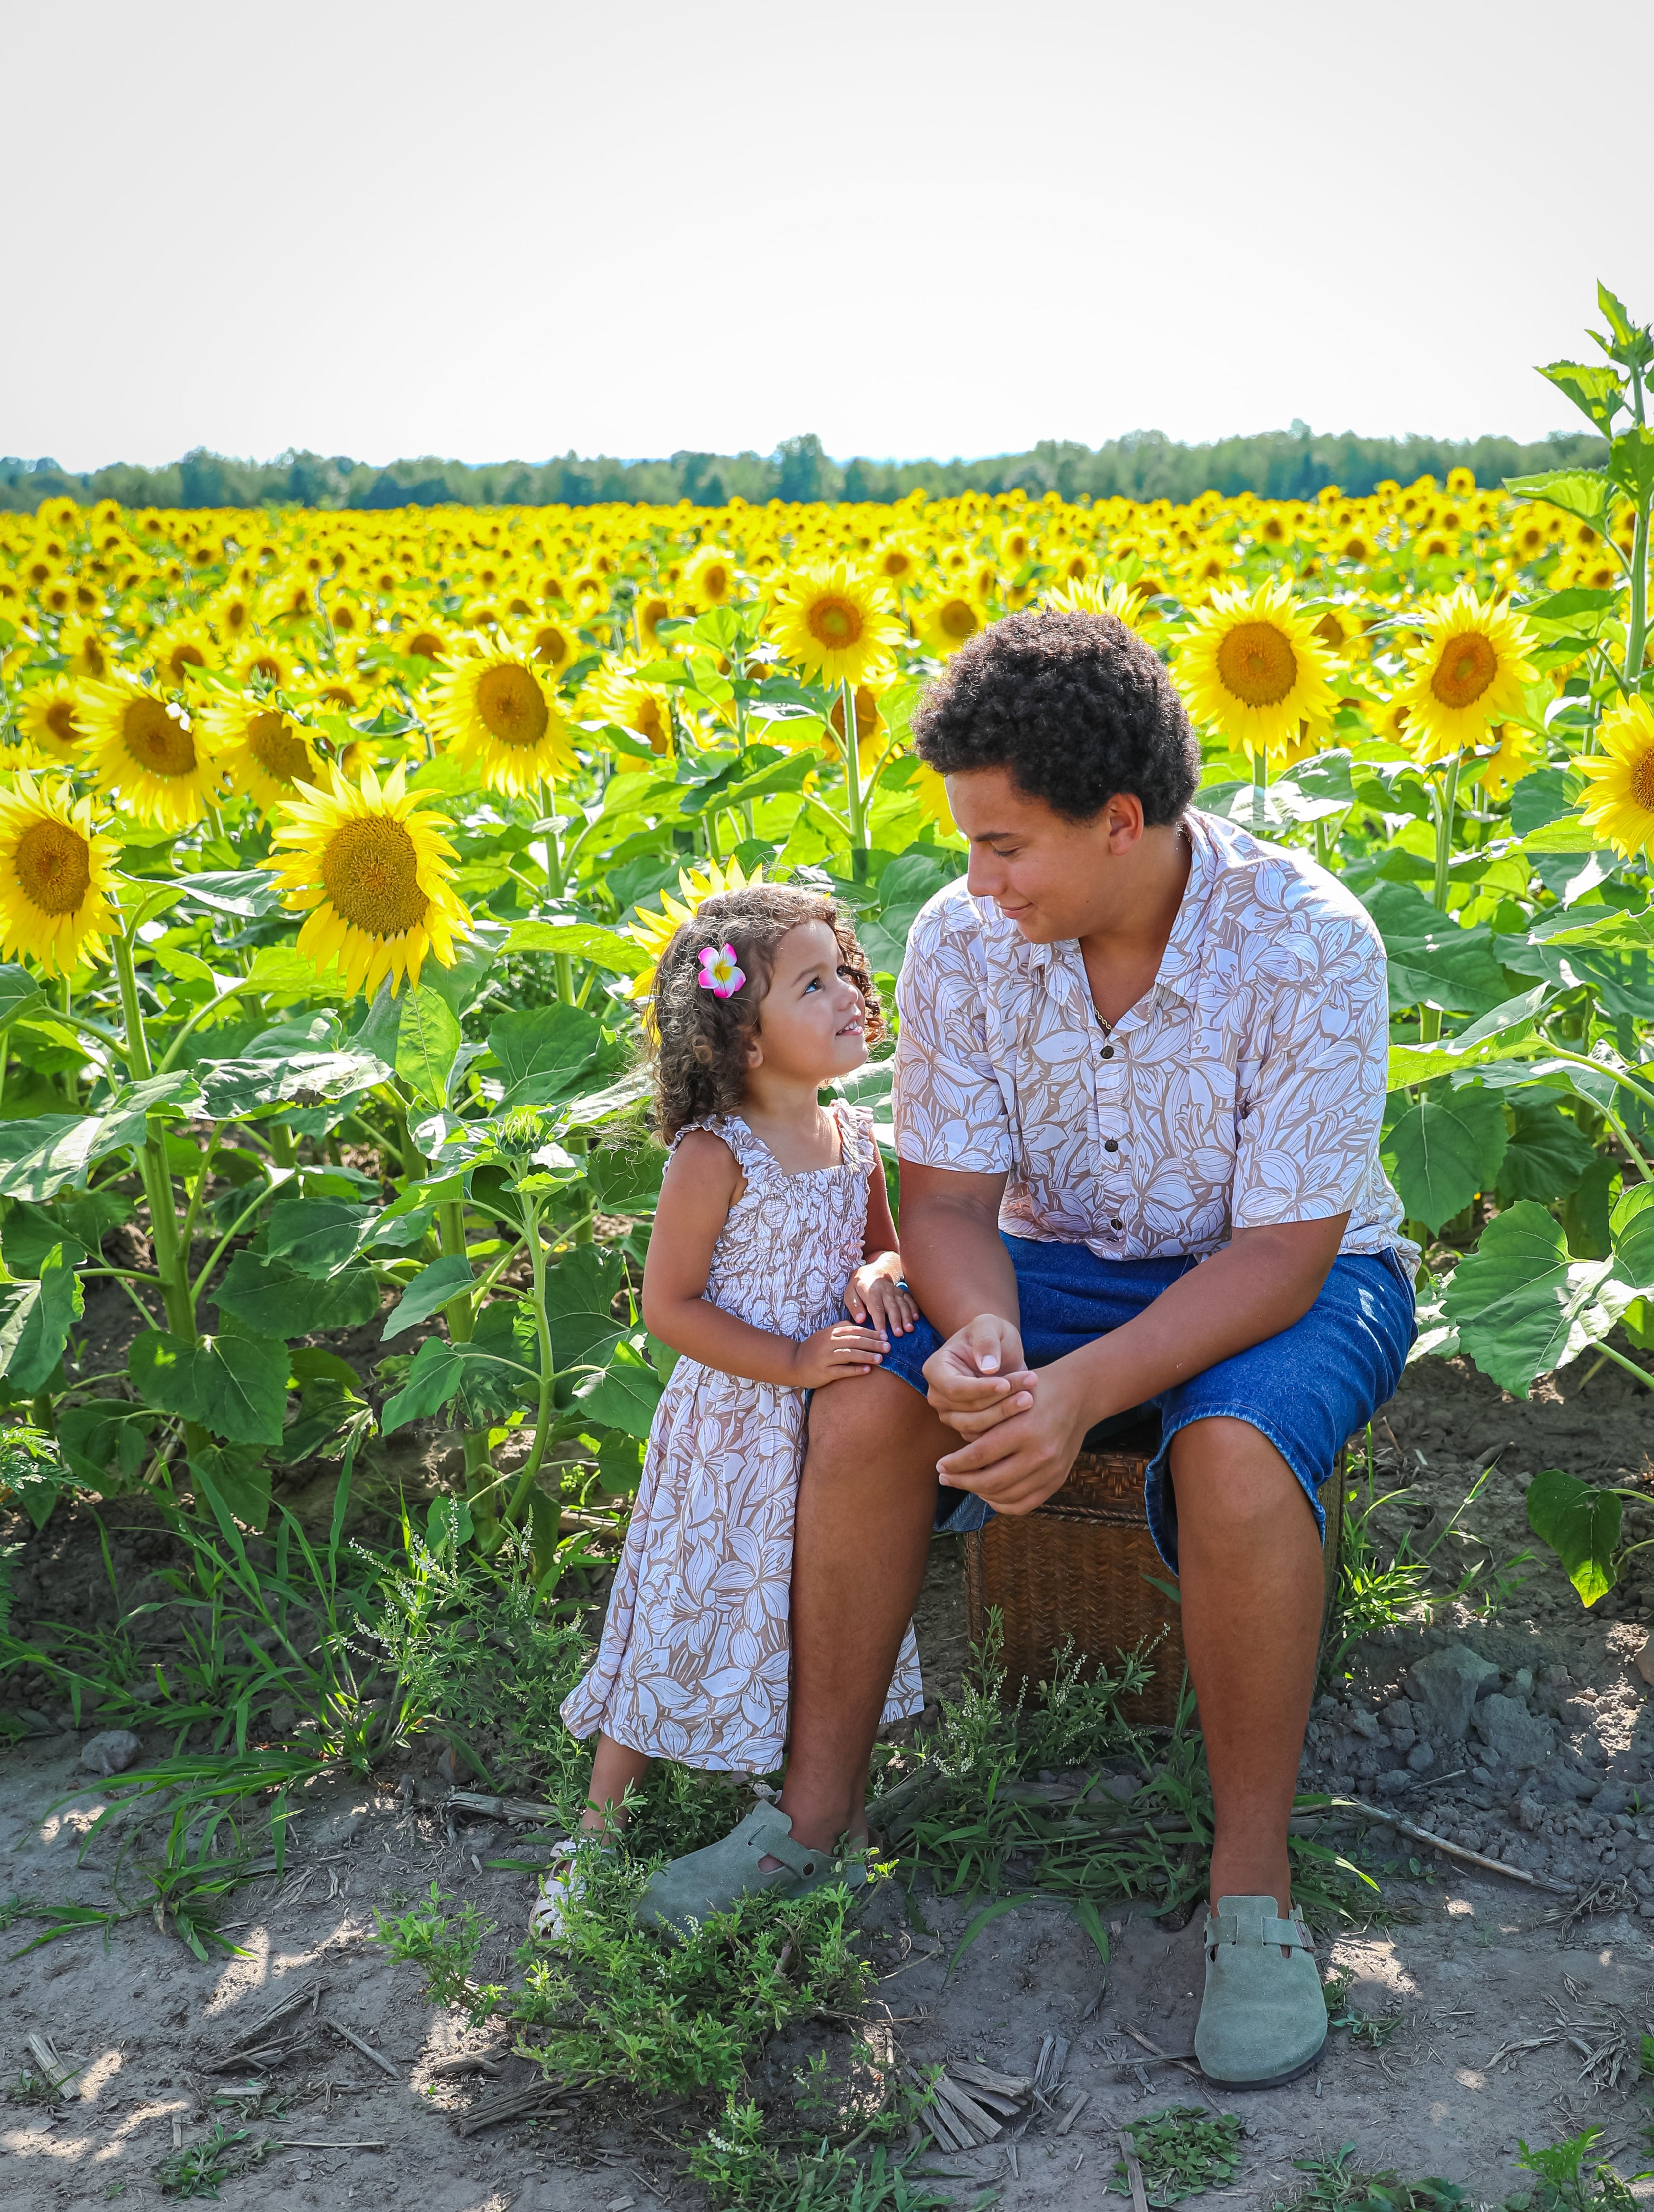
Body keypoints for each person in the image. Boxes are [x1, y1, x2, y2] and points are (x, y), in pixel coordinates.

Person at [638, 611, 1416, 2089]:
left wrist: (1083, 1393)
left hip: (1297, 1273)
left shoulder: (1309, 941)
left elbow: (1282, 1252)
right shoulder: (964, 940)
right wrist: (989, 1338)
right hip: (1049, 1264)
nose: (979, 880)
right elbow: (942, 1203)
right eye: (971, 845)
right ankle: (813, 1818)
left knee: (1236, 1453)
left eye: (1006, 845)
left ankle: (1253, 1893)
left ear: (1121, 821)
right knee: (868, 1403)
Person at [534, 884, 923, 1938]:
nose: (849, 994)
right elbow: (669, 1306)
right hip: (731, 1436)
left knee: (810, 1609)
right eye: (814, 983)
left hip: (820, 1427)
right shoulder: (716, 1154)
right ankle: (595, 1837)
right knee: (680, 1613)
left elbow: (884, 1245)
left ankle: (818, 1814)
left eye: (844, 971)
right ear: (745, 1039)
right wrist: (791, 1358)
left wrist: (878, 1275)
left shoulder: (854, 1136)